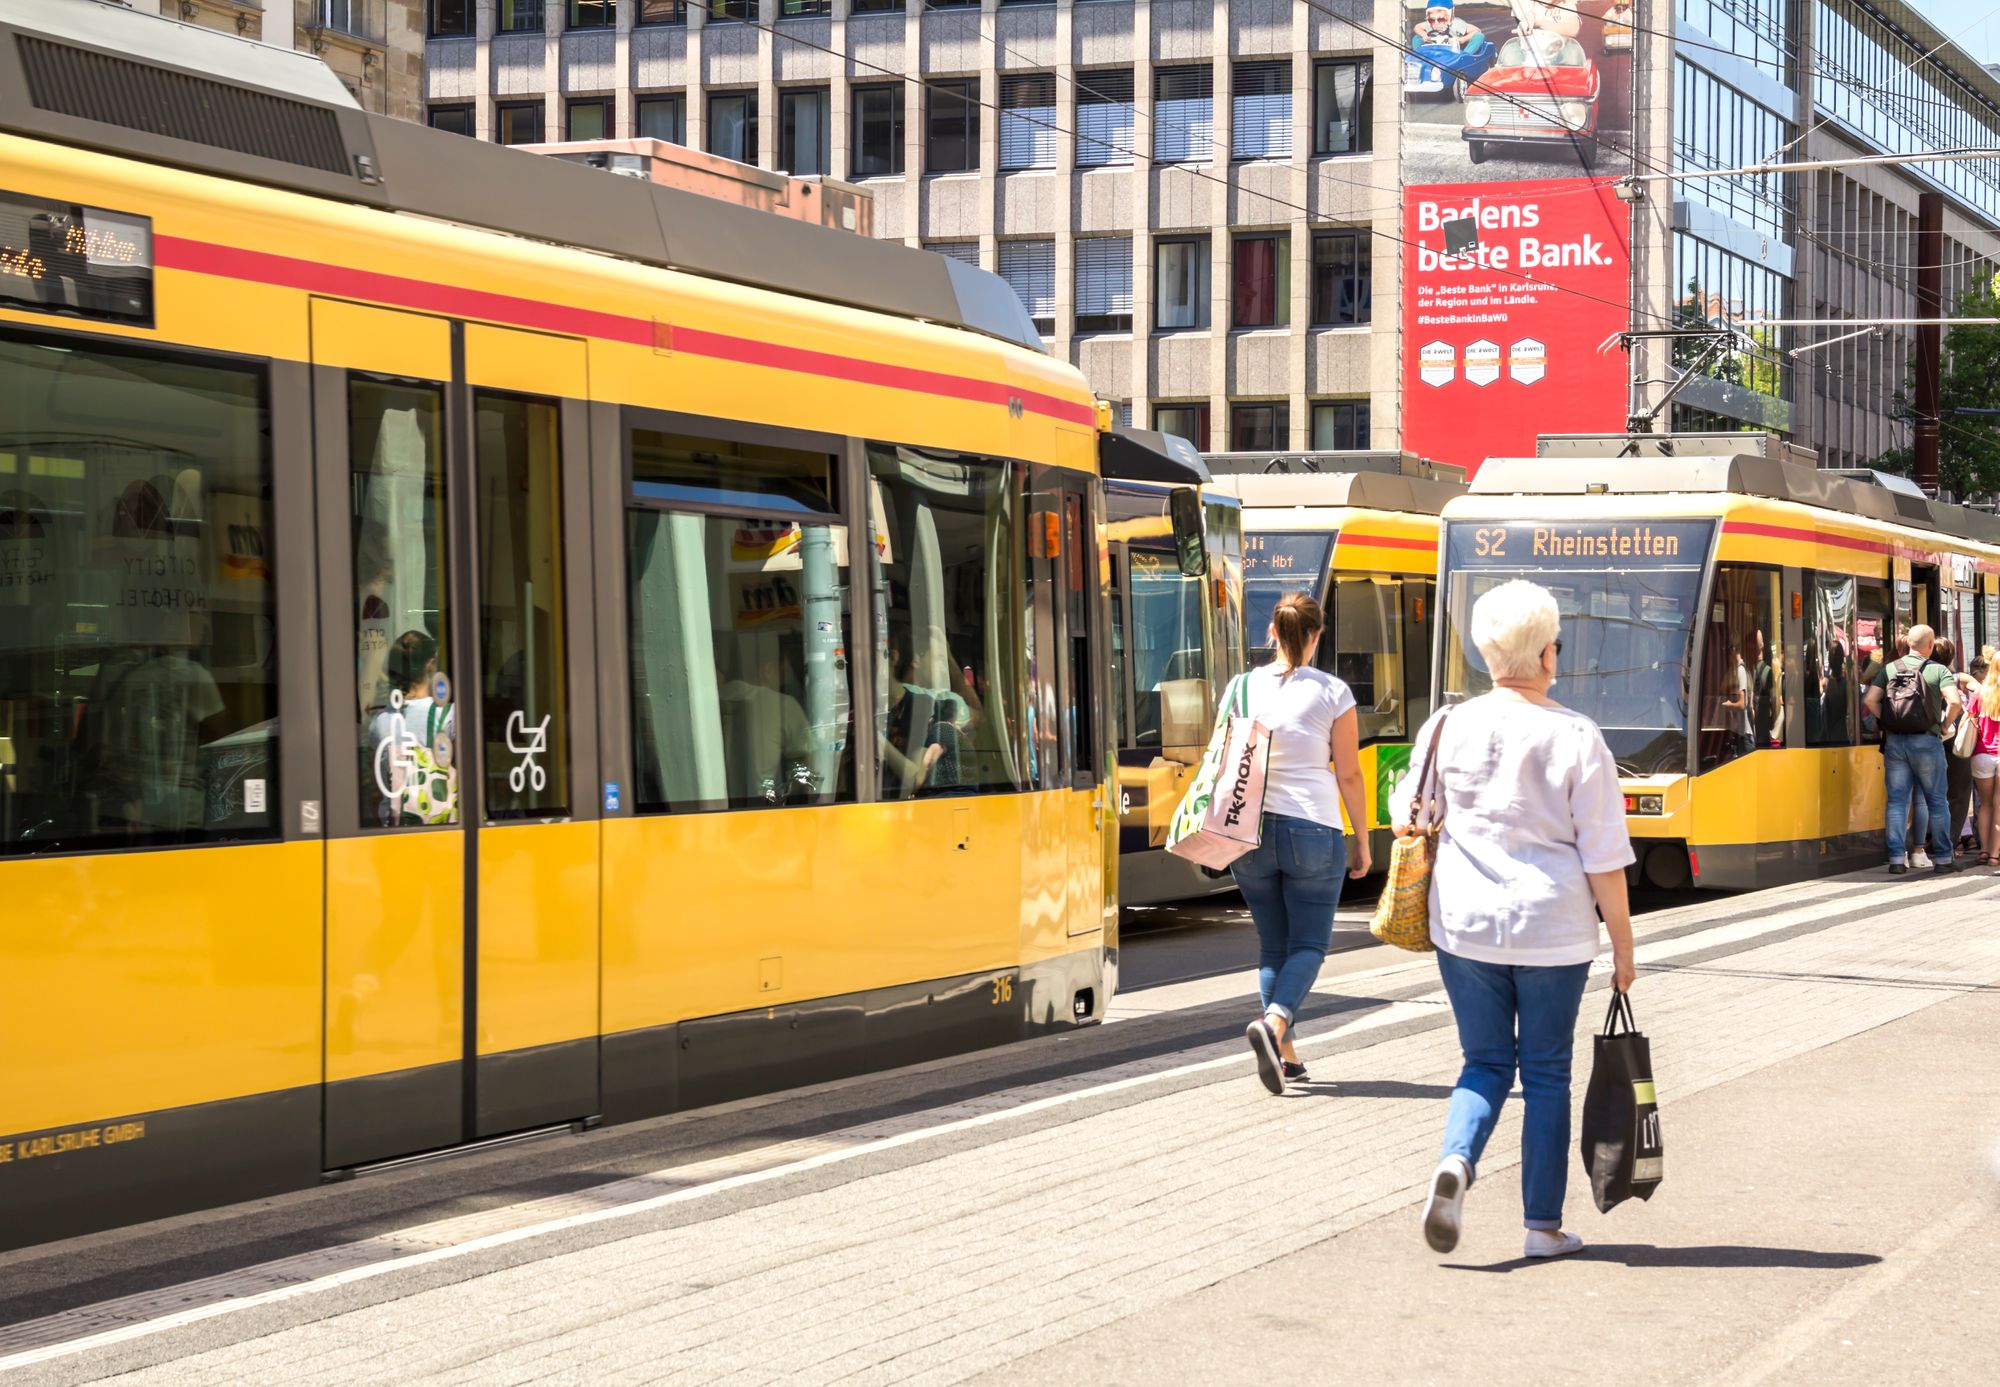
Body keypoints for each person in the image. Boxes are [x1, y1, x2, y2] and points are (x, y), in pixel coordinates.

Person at [1400, 579, 1637, 1260]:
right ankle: (1541, 1226)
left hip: (1464, 922)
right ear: (1547, 655)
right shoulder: (1576, 736)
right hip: (1552, 929)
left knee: (1483, 1061)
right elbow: (1604, 857)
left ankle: (1456, 1161)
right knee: (1546, 1073)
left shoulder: (1446, 725)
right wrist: (1623, 946)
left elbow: (1407, 815)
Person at [1236, 592, 1371, 1094]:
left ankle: (1285, 1056)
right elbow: (1350, 774)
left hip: (1247, 831)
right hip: (1312, 828)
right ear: (1316, 636)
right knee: (1310, 944)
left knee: (1274, 945)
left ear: (1272, 633)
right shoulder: (1333, 692)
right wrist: (1362, 839)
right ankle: (1273, 1028)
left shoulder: (1242, 687)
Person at [1864, 623, 1961, 875]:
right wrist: (1943, 726)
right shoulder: (1937, 670)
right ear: (1930, 646)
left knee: (1896, 801)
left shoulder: (1890, 669)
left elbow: (1870, 700)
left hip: (1895, 742)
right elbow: (1955, 702)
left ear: (1909, 644)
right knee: (1937, 801)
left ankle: (1897, 859)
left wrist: (1886, 721)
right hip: (1927, 742)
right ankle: (1942, 859)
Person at [366, 629, 456, 826]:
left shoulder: (379, 722)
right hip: (440, 825)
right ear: (430, 664)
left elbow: (375, 786)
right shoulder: (448, 716)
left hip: (392, 826)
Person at [1933, 637, 1975, 859]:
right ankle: (1949, 842)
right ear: (1951, 657)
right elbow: (1982, 692)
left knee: (1930, 792)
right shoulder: (1957, 678)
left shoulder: (1921, 674)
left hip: (1928, 738)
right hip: (1956, 739)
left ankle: (1924, 840)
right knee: (1958, 793)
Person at [1971, 651, 2000, 867]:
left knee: (1985, 804)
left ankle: (1982, 850)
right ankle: (1994, 854)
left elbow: (1971, 722)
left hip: (1981, 754)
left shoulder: (1980, 693)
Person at [1412, 0, 1480, 49]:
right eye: (1432, 20)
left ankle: (1466, 56)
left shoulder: (1456, 24)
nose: (1436, 23)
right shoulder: (1431, 24)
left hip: (1456, 53)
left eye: (1441, 19)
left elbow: (1477, 30)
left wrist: (1462, 40)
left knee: (1479, 36)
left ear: (1450, 16)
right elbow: (1417, 27)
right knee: (1416, 38)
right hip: (1435, 52)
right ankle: (1419, 56)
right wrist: (1424, 35)